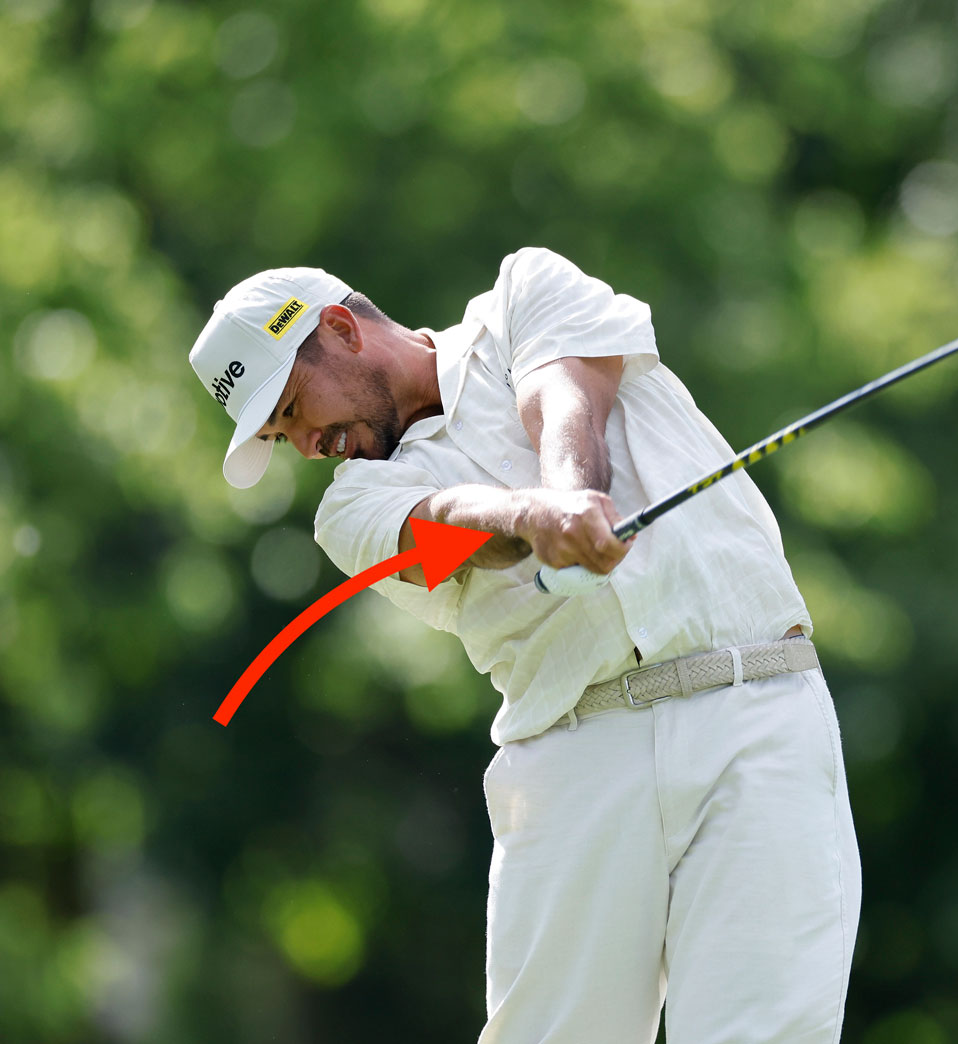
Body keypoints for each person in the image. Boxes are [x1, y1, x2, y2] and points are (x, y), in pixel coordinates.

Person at [187, 249, 861, 1043]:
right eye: (279, 434)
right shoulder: (351, 509)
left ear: (340, 329)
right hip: (578, 757)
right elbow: (444, 523)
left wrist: (571, 494)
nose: (305, 445)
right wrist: (528, 517)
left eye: (294, 408)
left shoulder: (524, 293)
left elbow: (565, 390)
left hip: (759, 711)